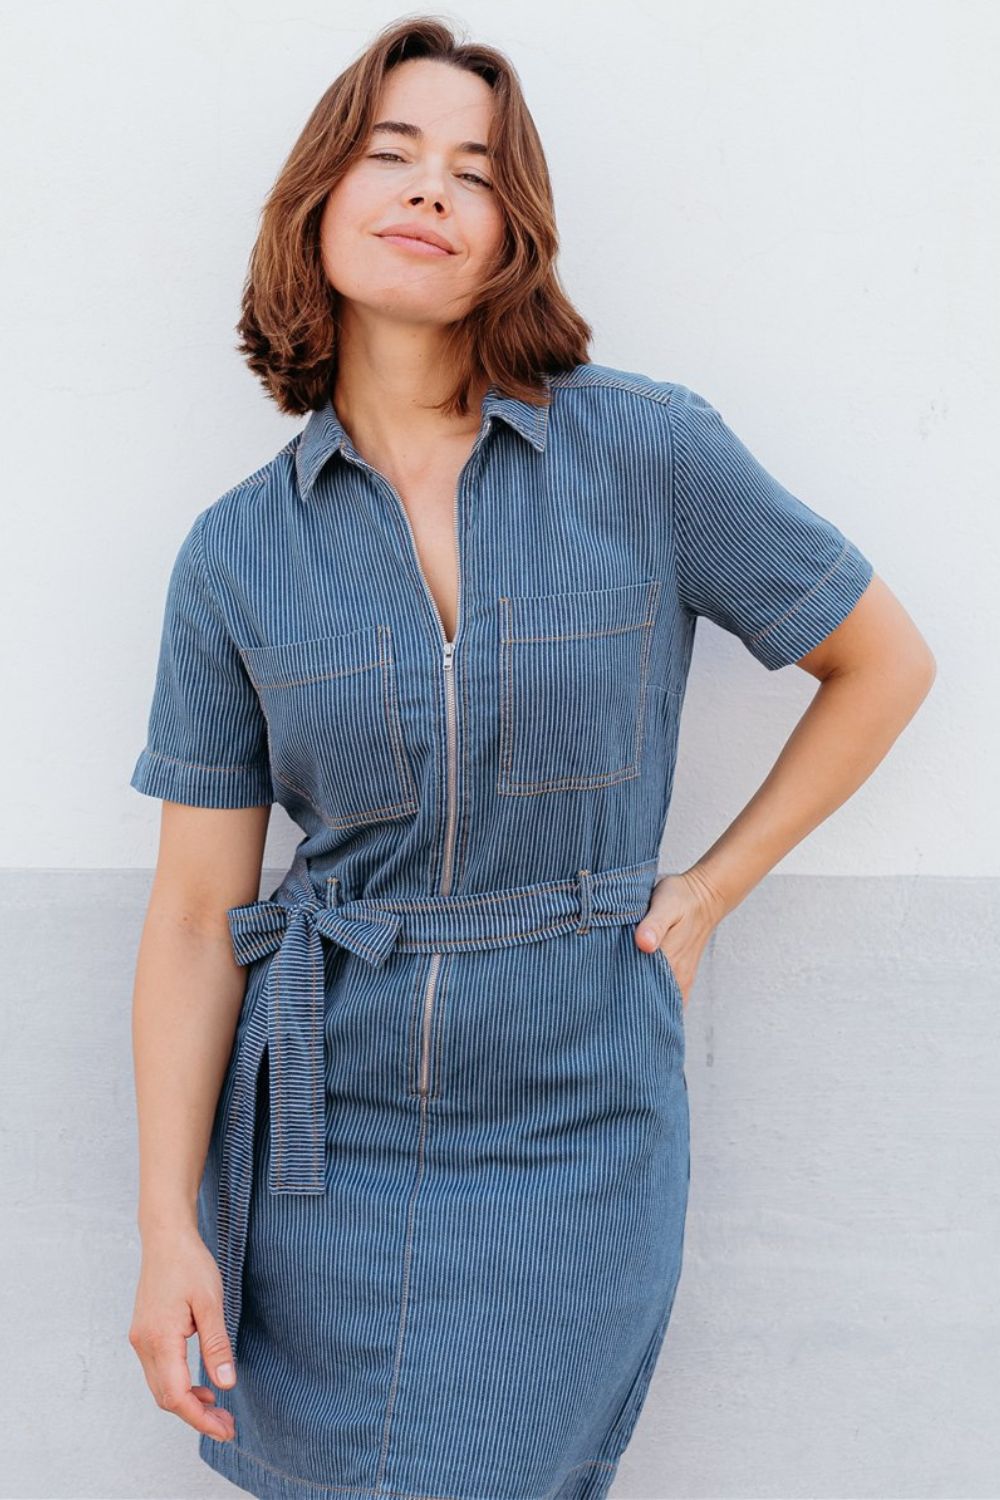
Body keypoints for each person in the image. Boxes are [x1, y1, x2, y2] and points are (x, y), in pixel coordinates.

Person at [126, 16, 936, 1500]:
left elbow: (882, 663)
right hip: (329, 1145)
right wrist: (168, 1227)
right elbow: (192, 921)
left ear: (513, 233)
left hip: (576, 1125)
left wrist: (711, 888)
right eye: (393, 154)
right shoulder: (236, 553)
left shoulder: (650, 456)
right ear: (319, 197)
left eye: (474, 171)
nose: (431, 189)